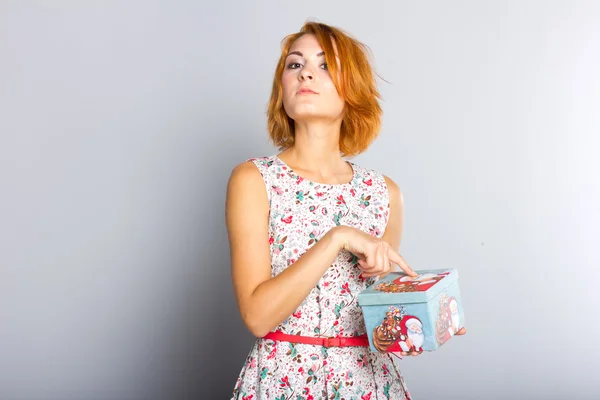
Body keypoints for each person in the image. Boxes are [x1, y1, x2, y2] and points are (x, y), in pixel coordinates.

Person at [225, 21, 466, 400]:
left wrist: (423, 318)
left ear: (351, 87)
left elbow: (377, 320)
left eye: (325, 65)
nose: (306, 72)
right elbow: (257, 316)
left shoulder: (384, 193)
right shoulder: (254, 180)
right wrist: (338, 237)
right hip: (282, 381)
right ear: (282, 87)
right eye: (295, 64)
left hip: (367, 383)